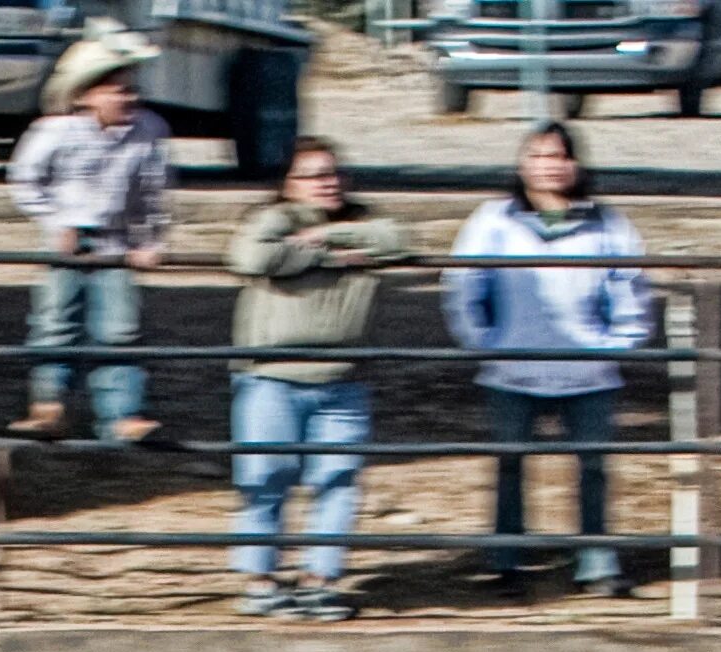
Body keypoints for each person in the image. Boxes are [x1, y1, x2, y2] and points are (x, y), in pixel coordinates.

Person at [442, 122, 653, 598]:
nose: (549, 166)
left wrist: (620, 342)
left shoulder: (608, 223)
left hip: (589, 372)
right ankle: (507, 562)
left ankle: (597, 564)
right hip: (512, 369)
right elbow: (462, 282)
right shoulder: (493, 219)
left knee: (594, 469)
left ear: (576, 164)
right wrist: (485, 342)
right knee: (511, 467)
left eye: (558, 156)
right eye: (538, 156)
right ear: (522, 165)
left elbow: (630, 285)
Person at [227, 137, 412, 619]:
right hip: (272, 375)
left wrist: (327, 237)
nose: (328, 182)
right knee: (265, 477)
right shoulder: (269, 222)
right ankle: (260, 578)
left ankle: (319, 578)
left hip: (341, 379)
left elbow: (397, 241)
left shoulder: (363, 223)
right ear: (287, 185)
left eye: (333, 173)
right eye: (312, 175)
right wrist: (321, 253)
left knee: (339, 479)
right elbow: (251, 257)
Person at [8, 31, 169, 444]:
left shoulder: (149, 131)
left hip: (116, 241)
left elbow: (152, 192)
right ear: (86, 97)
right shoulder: (56, 132)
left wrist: (148, 239)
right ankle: (50, 406)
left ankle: (121, 414)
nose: (128, 100)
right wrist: (56, 220)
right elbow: (25, 180)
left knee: (119, 328)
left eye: (131, 91)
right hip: (68, 237)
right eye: (118, 92)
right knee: (54, 322)